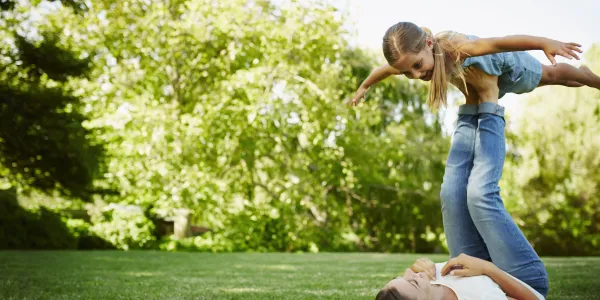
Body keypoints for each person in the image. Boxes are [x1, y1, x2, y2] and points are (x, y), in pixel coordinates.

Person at [348, 22, 600, 296]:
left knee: (554, 74)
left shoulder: (458, 49)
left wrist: (543, 43)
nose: (417, 74)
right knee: (456, 191)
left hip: (505, 68)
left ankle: (589, 77)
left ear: (429, 44)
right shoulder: (414, 57)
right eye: (408, 72)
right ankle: (582, 77)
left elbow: (501, 42)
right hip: (482, 92)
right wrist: (365, 86)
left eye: (418, 65)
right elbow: (384, 70)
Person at [375, 253, 544, 300]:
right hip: (522, 278)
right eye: (412, 282)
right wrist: (487, 268)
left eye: (401, 276)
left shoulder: (430, 276)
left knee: (451, 194)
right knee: (480, 197)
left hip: (477, 256)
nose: (410, 272)